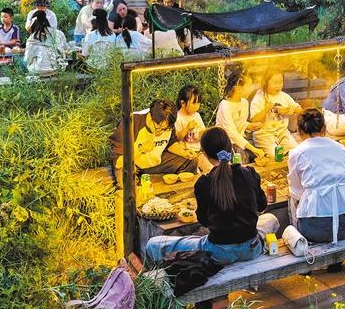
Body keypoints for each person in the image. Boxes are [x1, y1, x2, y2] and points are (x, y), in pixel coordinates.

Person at [145, 127, 279, 265]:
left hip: (218, 253)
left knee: (153, 244)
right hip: (251, 249)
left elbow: (204, 221)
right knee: (271, 219)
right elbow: (262, 206)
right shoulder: (249, 173)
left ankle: (156, 271)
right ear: (230, 148)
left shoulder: (203, 183)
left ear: (204, 153)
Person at [287, 108, 345, 244]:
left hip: (316, 231)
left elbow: (295, 191)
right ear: (324, 128)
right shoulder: (340, 147)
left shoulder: (297, 153)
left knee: (292, 197)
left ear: (299, 130)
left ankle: (299, 240)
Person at [109, 99, 198, 178]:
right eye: (159, 128)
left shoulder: (167, 121)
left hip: (155, 162)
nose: (162, 132)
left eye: (165, 129)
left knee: (191, 161)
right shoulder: (130, 122)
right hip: (132, 164)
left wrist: (183, 152)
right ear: (150, 117)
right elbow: (117, 162)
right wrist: (141, 150)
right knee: (125, 179)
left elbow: (170, 143)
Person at [250, 70, 302, 157]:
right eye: (275, 83)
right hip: (264, 134)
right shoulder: (259, 98)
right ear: (266, 82)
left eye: (280, 82)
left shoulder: (284, 96)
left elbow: (300, 111)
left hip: (282, 132)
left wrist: (290, 109)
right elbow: (254, 121)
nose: (278, 86)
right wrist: (266, 109)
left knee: (296, 152)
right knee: (275, 156)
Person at [216, 71, 265, 162]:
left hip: (239, 142)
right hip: (225, 143)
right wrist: (253, 149)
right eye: (248, 86)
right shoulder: (225, 106)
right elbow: (232, 133)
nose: (251, 89)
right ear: (237, 88)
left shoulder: (244, 103)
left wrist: (249, 125)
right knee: (242, 160)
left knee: (257, 157)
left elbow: (239, 122)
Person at [175, 85, 212, 172]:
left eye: (198, 103)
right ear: (183, 103)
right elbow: (176, 138)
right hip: (187, 154)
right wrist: (187, 128)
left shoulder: (196, 115)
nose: (197, 106)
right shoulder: (177, 117)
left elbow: (203, 133)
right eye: (194, 103)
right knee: (197, 173)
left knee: (210, 168)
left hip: (199, 152)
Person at [23, 10, 67, 77]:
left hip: (39, 71)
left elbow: (27, 58)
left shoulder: (32, 38)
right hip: (59, 68)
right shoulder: (59, 33)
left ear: (33, 25)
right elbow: (65, 48)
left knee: (22, 61)